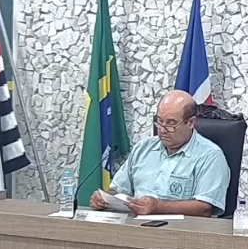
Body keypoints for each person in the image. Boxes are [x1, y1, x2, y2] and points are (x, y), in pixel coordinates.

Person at [90, 90, 230, 218]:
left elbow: (205, 208)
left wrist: (158, 207)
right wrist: (104, 198)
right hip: (136, 227)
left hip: (182, 231)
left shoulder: (210, 156)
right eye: (160, 121)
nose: (162, 130)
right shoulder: (143, 148)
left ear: (191, 123)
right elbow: (119, 190)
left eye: (171, 123)